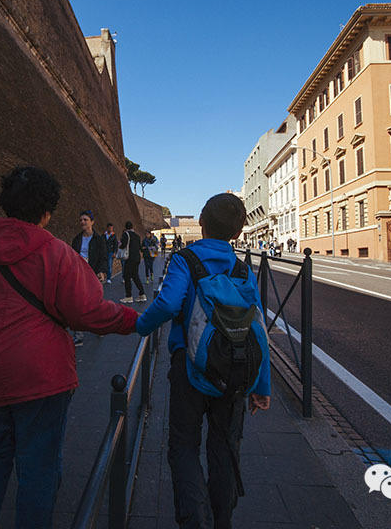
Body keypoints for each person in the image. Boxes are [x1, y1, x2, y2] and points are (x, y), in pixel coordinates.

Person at [0, 166, 136, 529]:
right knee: (38, 467)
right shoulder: (56, 252)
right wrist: (133, 320)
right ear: (47, 212)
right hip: (39, 375)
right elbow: (87, 311)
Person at [135, 193, 271, 529]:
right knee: (225, 448)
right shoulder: (241, 268)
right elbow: (258, 327)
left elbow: (167, 306)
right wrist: (262, 385)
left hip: (189, 369)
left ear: (203, 222)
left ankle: (194, 521)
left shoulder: (185, 260)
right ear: (238, 234)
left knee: (183, 446)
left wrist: (139, 325)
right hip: (236, 371)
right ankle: (221, 520)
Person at [70, 210, 107, 346]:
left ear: (92, 222)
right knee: (78, 305)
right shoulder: (77, 239)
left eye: (85, 220)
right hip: (80, 275)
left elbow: (103, 257)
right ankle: (78, 335)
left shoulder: (99, 239)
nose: (82, 222)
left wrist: (102, 271)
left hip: (94, 274)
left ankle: (99, 328)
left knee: (95, 304)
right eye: (81, 220)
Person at [118, 221, 146, 303]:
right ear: (132, 227)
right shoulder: (137, 236)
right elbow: (140, 247)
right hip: (137, 258)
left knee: (126, 277)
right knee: (135, 276)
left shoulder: (125, 234)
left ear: (126, 227)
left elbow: (123, 245)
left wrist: (119, 245)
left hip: (129, 258)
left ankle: (128, 296)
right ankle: (142, 294)